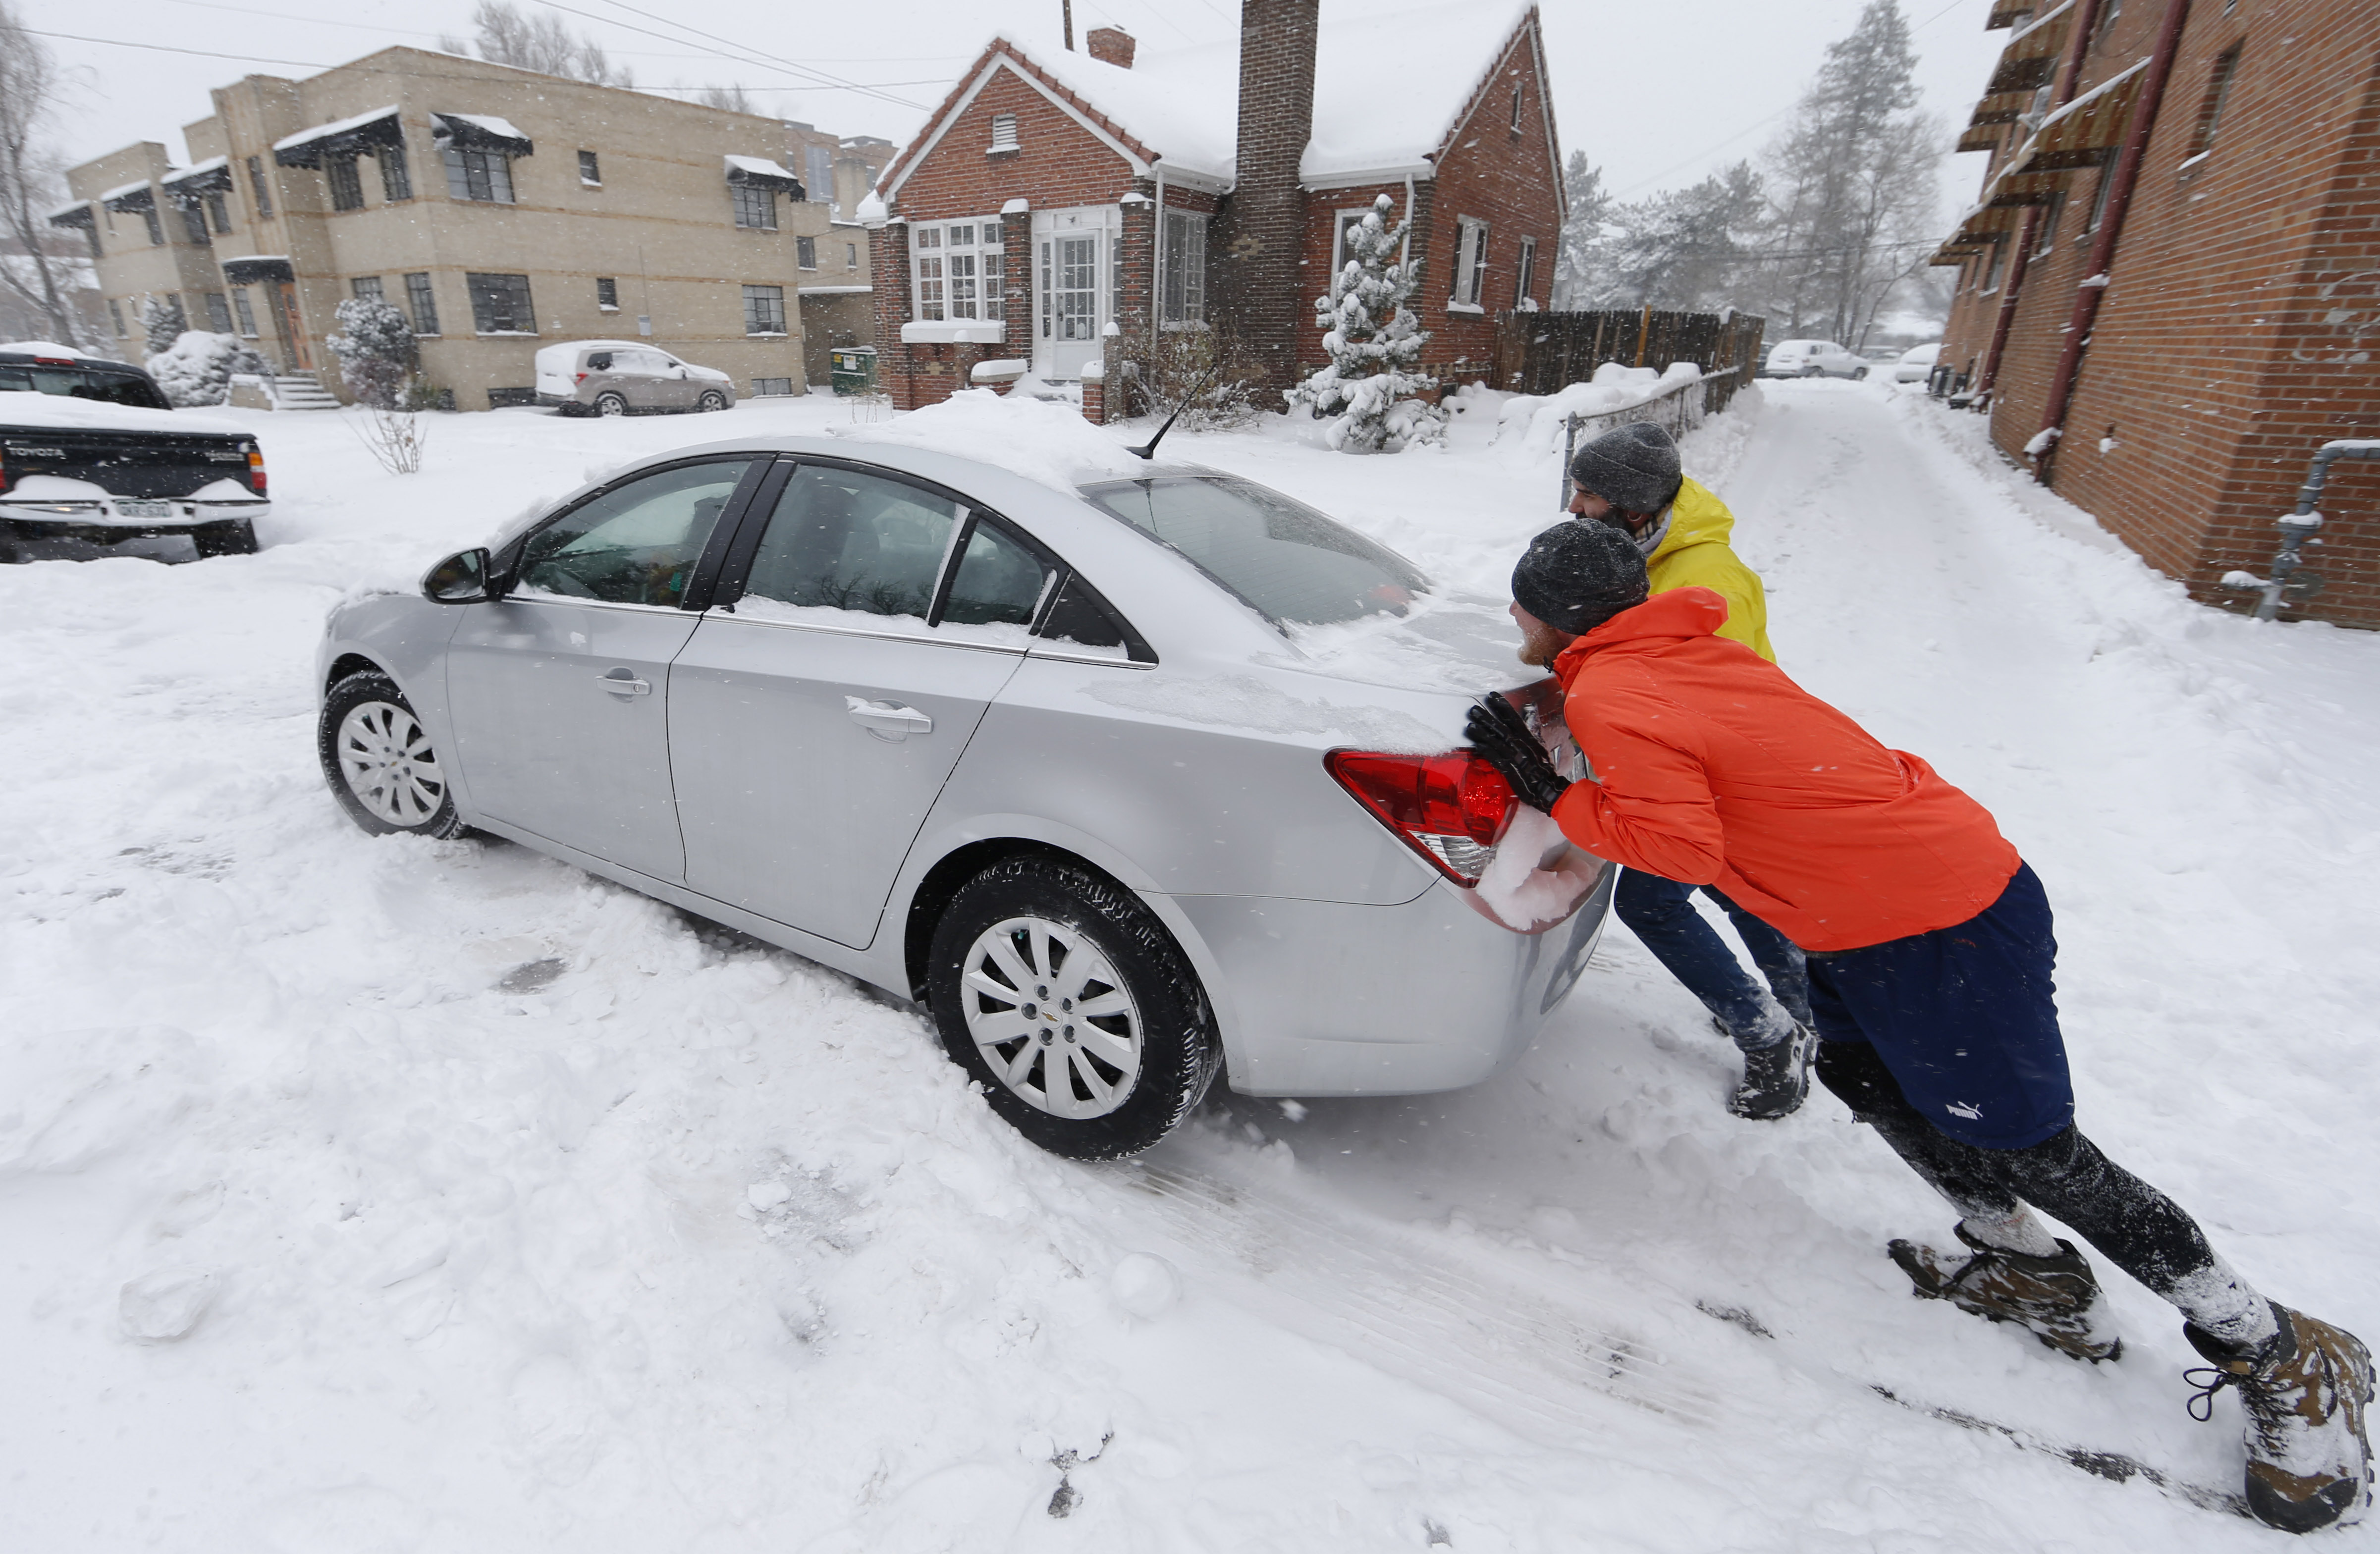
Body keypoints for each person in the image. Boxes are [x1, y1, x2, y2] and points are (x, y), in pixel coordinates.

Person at [1464, 520, 2373, 1535]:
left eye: (1520, 602)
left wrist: (1552, 794)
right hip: (1870, 913)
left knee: (2034, 1150)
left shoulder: (1613, 689)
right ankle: (2029, 1272)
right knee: (1860, 1077)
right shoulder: (1681, 652)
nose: (1512, 618)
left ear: (1559, 615)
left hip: (1942, 922)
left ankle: (2275, 1346)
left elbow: (1673, 846)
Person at [1563, 421, 1811, 1120]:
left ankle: (1772, 1036)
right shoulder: (1651, 550)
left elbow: (1707, 702)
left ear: (1634, 505)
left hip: (1725, 771)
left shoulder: (1701, 576)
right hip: (1733, 770)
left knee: (1654, 902)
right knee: (1741, 889)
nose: (1575, 506)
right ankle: (1800, 1011)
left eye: (1587, 494)